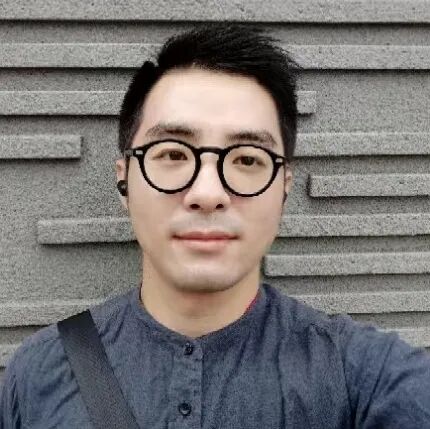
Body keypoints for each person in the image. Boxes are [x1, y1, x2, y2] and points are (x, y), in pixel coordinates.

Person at [1, 23, 430, 429]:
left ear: (283, 187)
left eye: (247, 159)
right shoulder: (38, 375)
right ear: (124, 180)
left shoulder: (366, 377)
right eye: (173, 154)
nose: (207, 193)